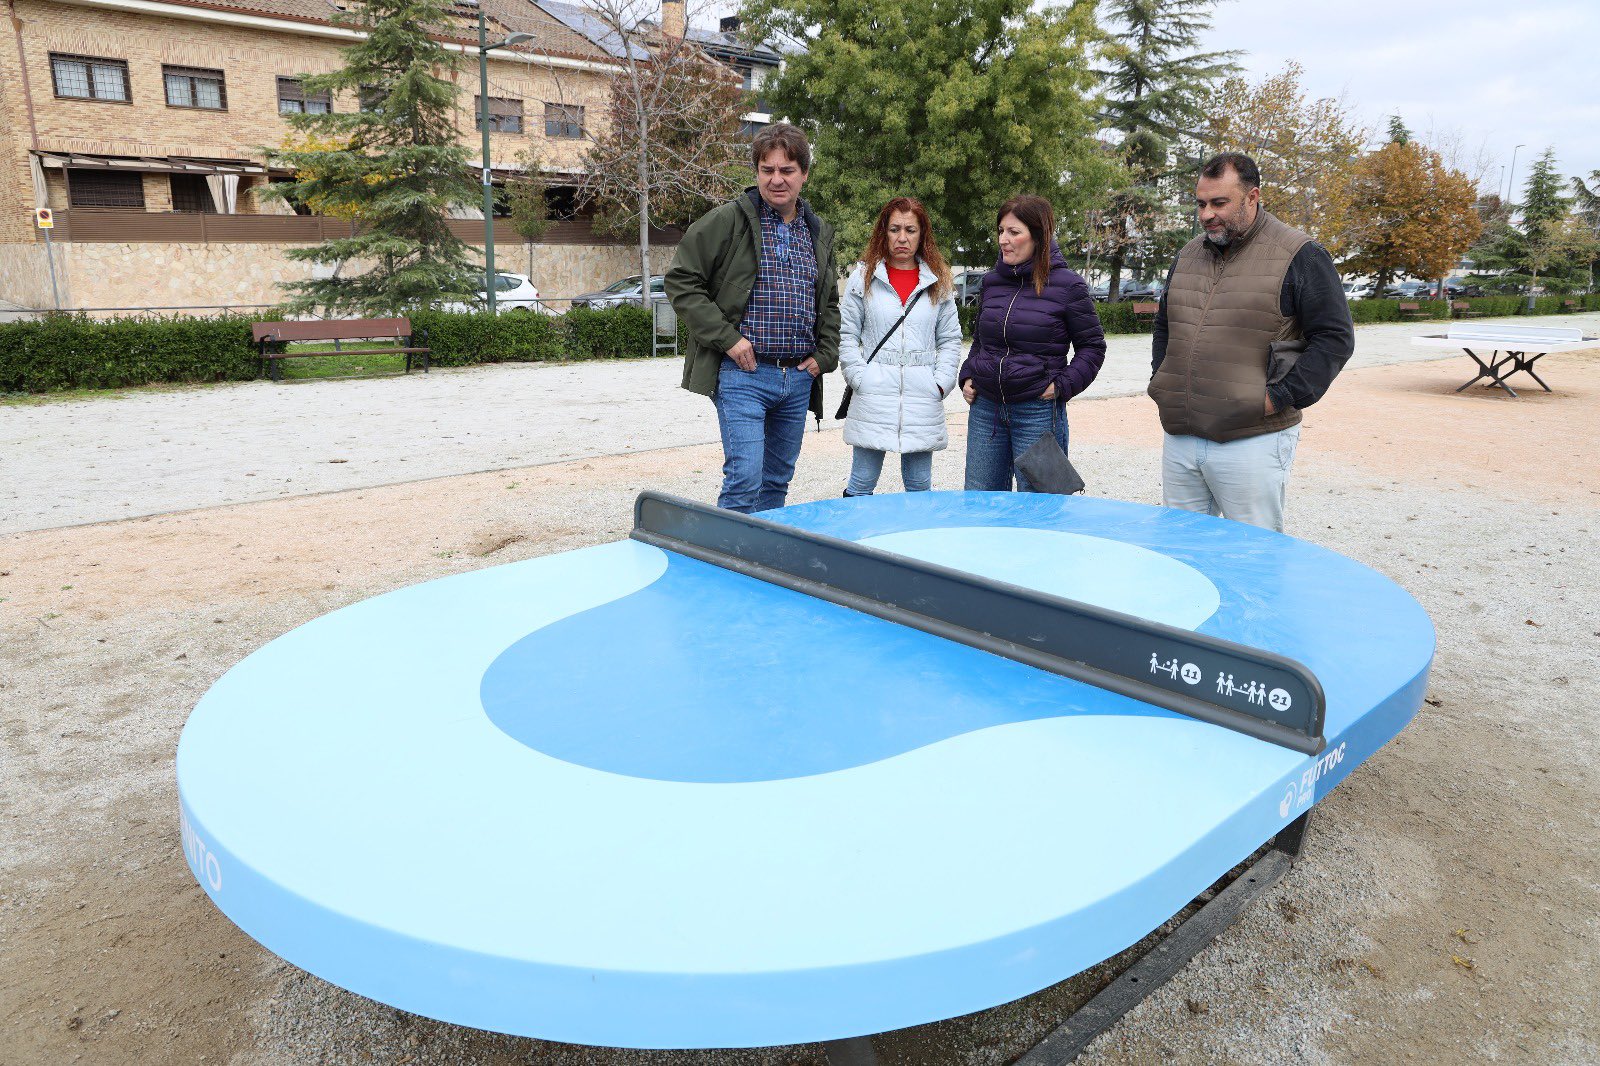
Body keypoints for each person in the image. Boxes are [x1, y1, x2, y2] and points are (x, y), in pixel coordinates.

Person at [1149, 152, 1355, 533]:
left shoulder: (1300, 254)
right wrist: (1162, 383)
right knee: (1180, 551)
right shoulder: (1188, 254)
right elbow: (1166, 324)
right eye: (1201, 203)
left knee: (1252, 555)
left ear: (1252, 197)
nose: (1207, 214)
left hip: (1253, 438)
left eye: (1219, 203)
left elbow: (1335, 339)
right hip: (1181, 433)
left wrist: (1274, 399)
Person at [664, 123, 841, 514]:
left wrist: (825, 356)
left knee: (777, 480)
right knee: (745, 477)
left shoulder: (818, 232)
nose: (777, 179)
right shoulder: (728, 221)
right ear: (757, 172)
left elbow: (827, 301)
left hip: (797, 378)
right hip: (743, 375)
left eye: (787, 170)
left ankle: (761, 562)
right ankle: (728, 564)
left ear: (804, 174)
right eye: (767, 170)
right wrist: (727, 338)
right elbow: (680, 281)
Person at [959, 194, 1106, 491]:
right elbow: (981, 341)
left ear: (1038, 236)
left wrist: (1061, 386)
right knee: (981, 504)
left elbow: (1092, 346)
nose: (1003, 239)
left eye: (1014, 232)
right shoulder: (991, 282)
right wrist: (968, 374)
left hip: (1036, 411)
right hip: (986, 410)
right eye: (1001, 230)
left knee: (1041, 507)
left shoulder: (1068, 285)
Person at [838, 197, 963, 496]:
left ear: (923, 234)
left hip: (923, 394)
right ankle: (855, 540)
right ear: (884, 232)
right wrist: (859, 377)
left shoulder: (938, 282)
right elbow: (847, 333)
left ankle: (915, 543)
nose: (902, 238)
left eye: (911, 230)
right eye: (895, 229)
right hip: (873, 392)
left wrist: (941, 383)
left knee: (920, 487)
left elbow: (949, 338)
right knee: (861, 483)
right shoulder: (863, 278)